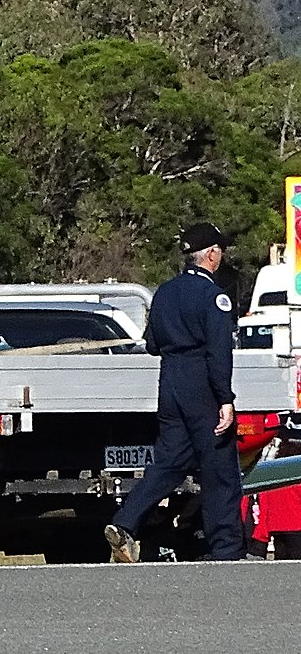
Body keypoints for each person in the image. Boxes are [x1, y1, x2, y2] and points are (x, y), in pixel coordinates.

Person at [108, 221, 245, 562]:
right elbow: (218, 351)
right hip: (201, 382)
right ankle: (226, 547)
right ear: (211, 255)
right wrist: (225, 399)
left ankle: (125, 521)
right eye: (220, 252)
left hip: (170, 381)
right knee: (219, 468)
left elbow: (152, 343)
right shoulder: (214, 296)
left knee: (169, 461)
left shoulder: (164, 293)